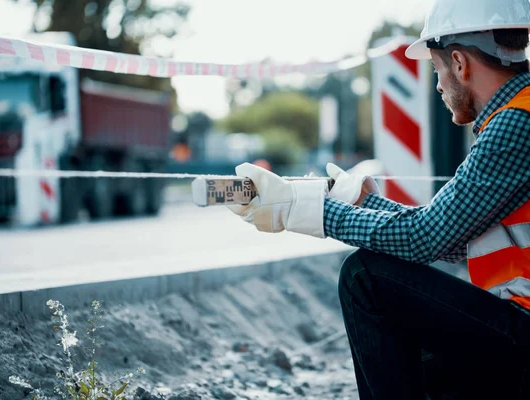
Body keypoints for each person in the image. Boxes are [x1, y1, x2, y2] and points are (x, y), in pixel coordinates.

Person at [227, 0, 530, 398]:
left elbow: (427, 239)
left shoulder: (514, 124)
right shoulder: (517, 114)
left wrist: (302, 209)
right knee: (416, 365)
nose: (438, 85)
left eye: (436, 69)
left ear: (459, 63)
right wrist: (364, 201)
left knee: (365, 278)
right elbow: (454, 237)